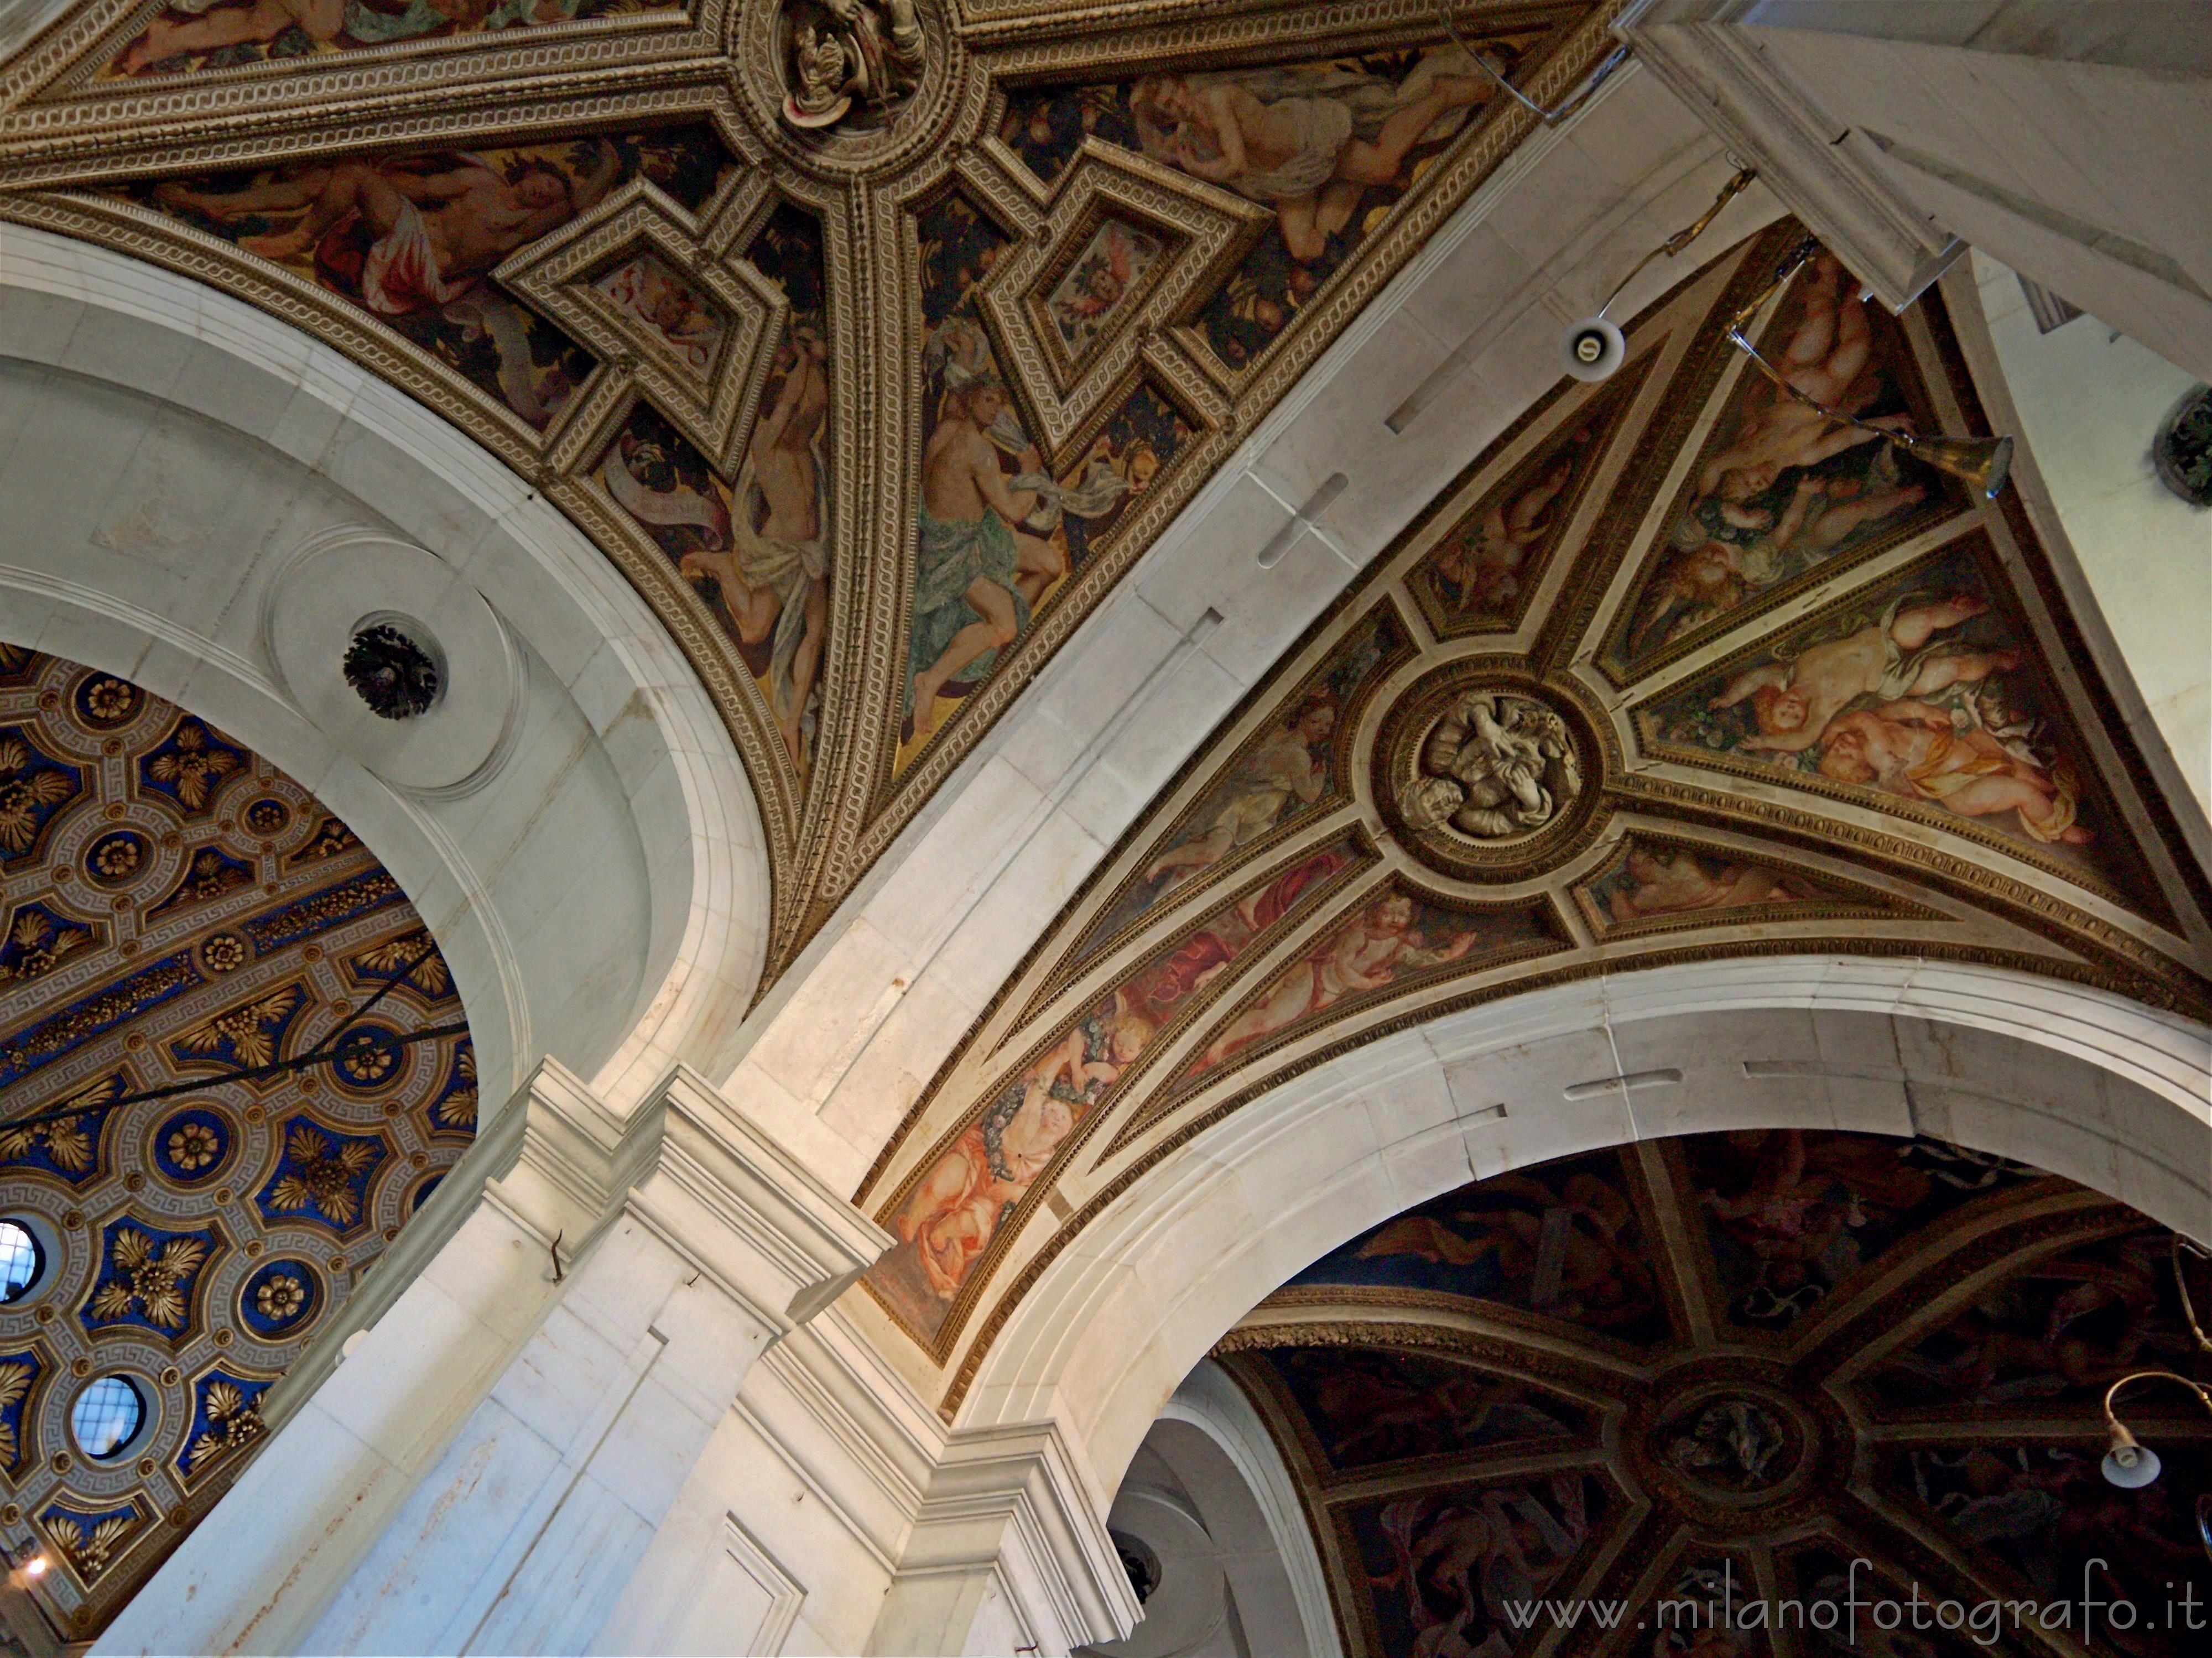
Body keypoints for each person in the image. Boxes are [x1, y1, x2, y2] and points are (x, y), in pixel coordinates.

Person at [159, 143, 620, 317]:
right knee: (331, 180)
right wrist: (375, 183)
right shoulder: (481, 183)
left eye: (551, 194)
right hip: (406, 229)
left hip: (423, 268)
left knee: (353, 179)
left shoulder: (523, 225)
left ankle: (300, 236)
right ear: (529, 174)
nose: (544, 193)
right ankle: (222, 204)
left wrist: (610, 165)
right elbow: (422, 187)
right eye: (544, 182)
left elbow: (579, 206)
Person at [1130, 51, 1494, 263]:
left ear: (1181, 85)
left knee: (1385, 165)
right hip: (1286, 178)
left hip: (1308, 140)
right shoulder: (1187, 131)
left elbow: (1236, 162)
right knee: (1303, 248)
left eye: (1174, 94)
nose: (1177, 104)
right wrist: (1139, 116)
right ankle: (1382, 252)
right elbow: (1155, 154)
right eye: (1167, 106)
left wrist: (1196, 168)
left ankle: (1441, 95)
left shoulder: (1215, 100)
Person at [679, 324, 832, 762]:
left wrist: (816, 362)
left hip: (811, 555)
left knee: (816, 636)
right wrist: (804, 361)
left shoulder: (805, 447)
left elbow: (815, 403)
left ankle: (791, 722)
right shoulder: (768, 446)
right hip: (779, 556)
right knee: (753, 630)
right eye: (788, 407)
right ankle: (725, 565)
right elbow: (790, 404)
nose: (800, 413)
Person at [1695, 252, 1914, 505]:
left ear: (1740, 468)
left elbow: (1713, 467)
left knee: (1821, 317)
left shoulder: (1753, 449)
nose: (1757, 485)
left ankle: (1829, 269)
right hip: (1834, 385)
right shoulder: (1805, 456)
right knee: (1859, 343)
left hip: (1797, 380)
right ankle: (1855, 295)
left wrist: (1703, 499)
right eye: (1755, 491)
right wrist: (1892, 422)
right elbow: (1848, 437)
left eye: (1747, 482)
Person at [1706, 592, 2013, 756]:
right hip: (1891, 676)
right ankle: (1997, 660)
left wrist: (1728, 698)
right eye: (1793, 716)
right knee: (1954, 669)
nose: (1789, 708)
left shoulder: (1787, 673)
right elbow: (1801, 741)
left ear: (1775, 699)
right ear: (1804, 718)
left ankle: (1973, 608)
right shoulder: (1822, 709)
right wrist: (1766, 744)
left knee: (1922, 620)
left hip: (1882, 639)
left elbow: (1754, 678)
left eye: (1781, 709)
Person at [1198, 892, 1477, 1069]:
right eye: (1389, 912)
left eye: (1403, 914)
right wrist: (1370, 984)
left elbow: (1422, 960)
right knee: (1269, 1021)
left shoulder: (1399, 946)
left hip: (1324, 992)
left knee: (1263, 1002)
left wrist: (1454, 953)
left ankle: (1226, 979)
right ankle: (1221, 1041)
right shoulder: (1359, 935)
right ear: (1375, 913)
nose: (1395, 919)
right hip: (1313, 978)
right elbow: (1343, 968)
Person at [907, 377, 1042, 739]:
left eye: (998, 403)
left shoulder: (946, 430)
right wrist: (1029, 472)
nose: (994, 409)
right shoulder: (979, 450)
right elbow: (1013, 511)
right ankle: (930, 681)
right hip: (957, 556)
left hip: (940, 542)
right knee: (1005, 626)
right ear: (970, 401)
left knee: (1046, 565)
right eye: (987, 399)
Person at [1817, 700, 2089, 843]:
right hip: (1962, 790)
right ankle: (2060, 829)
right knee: (2023, 793)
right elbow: (1863, 717)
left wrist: (1924, 712)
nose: (1841, 745)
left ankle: (2024, 771)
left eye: (1835, 749)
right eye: (1847, 755)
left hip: (1967, 752)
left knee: (2004, 724)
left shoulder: (1877, 728)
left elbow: (1895, 709)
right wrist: (1833, 728)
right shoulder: (1878, 751)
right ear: (1862, 766)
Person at [1142, 697, 1336, 885]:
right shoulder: (1298, 756)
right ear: (1302, 718)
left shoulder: (1276, 733)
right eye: (1316, 721)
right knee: (1214, 852)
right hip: (1242, 807)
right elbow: (1309, 795)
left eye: (1328, 725)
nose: (1323, 729)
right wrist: (1319, 777)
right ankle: (1161, 861)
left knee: (1229, 864)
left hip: (1251, 811)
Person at [1606, 846, 1813, 922]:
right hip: (1728, 904)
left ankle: (1811, 895)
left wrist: (1618, 896)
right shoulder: (1682, 862)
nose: (1633, 874)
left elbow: (1627, 918)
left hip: (1728, 898)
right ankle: (1811, 897)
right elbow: (1630, 921)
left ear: (1651, 862)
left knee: (1771, 874)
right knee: (1771, 873)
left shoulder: (1682, 862)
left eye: (1635, 868)